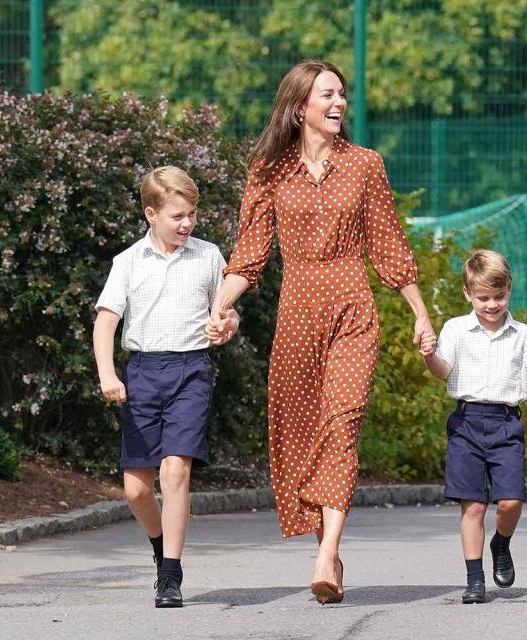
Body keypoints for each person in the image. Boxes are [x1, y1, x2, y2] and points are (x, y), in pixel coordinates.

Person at [210, 59, 434, 604]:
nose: (339, 104)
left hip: (352, 308)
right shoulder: (269, 171)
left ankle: (325, 552)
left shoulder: (365, 165)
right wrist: (220, 306)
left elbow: (387, 243)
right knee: (304, 435)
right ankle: (328, 548)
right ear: (298, 106)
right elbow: (250, 252)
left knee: (343, 422)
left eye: (342, 95)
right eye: (327, 95)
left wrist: (421, 312)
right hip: (296, 316)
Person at [93, 166, 239, 608]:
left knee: (175, 468)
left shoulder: (209, 256)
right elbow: (105, 323)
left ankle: (170, 576)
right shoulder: (128, 262)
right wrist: (107, 373)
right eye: (177, 215)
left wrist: (227, 324)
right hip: (141, 373)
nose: (187, 223)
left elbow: (226, 312)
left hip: (192, 369)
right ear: (151, 214)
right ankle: (160, 547)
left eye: (192, 214)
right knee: (137, 487)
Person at [420, 250, 527, 604]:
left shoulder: (522, 335)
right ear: (468, 294)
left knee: (511, 500)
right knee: (474, 505)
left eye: (499, 296)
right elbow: (442, 370)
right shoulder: (456, 329)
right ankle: (475, 579)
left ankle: (502, 542)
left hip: (506, 424)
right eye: (483, 298)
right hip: (467, 423)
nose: (492, 304)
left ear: (508, 290)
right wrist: (428, 355)